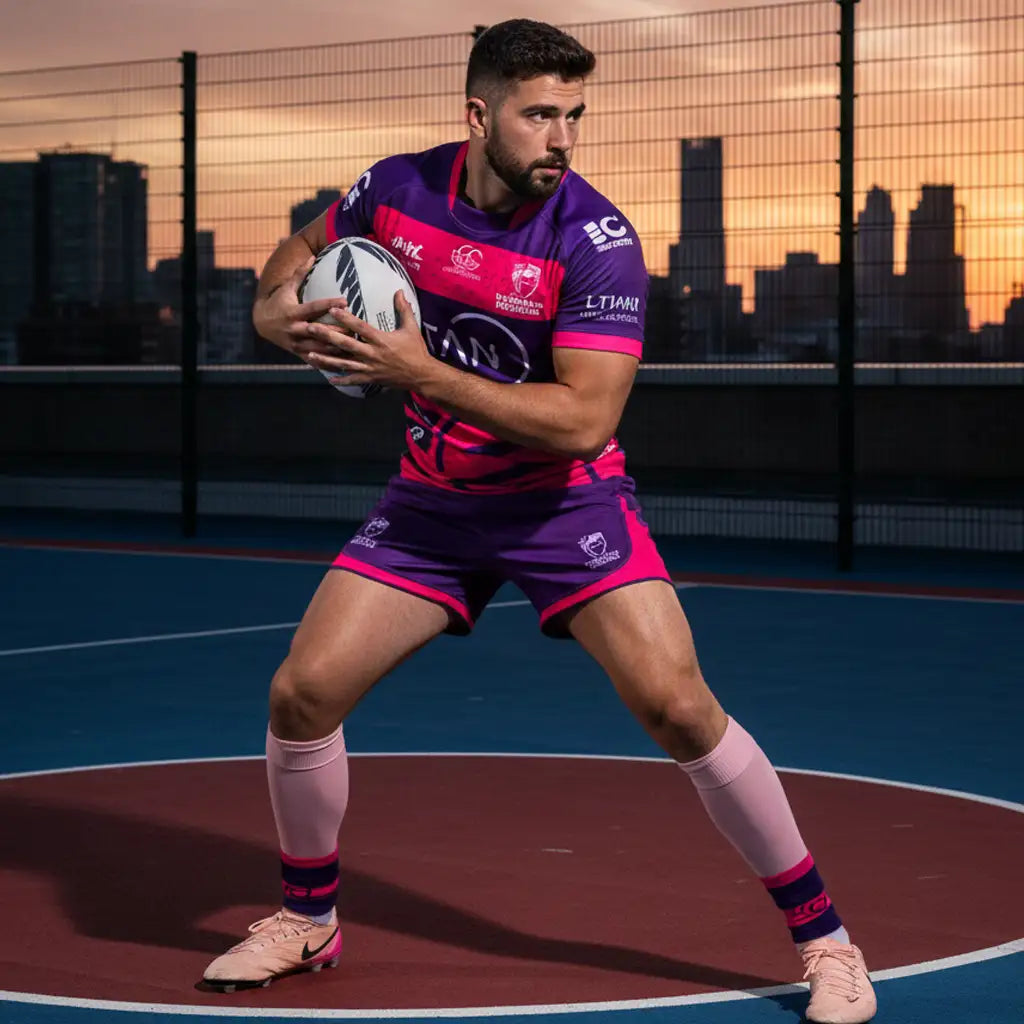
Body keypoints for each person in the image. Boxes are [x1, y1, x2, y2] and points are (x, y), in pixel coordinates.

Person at [202, 19, 876, 1023]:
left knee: (679, 706)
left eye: (574, 116)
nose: (563, 138)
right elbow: (295, 258)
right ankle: (309, 920)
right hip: (432, 505)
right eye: (540, 115)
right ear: (479, 116)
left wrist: (416, 371)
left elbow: (584, 417)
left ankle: (827, 942)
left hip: (566, 507)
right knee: (301, 693)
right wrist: (273, 313)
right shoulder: (394, 189)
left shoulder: (595, 242)